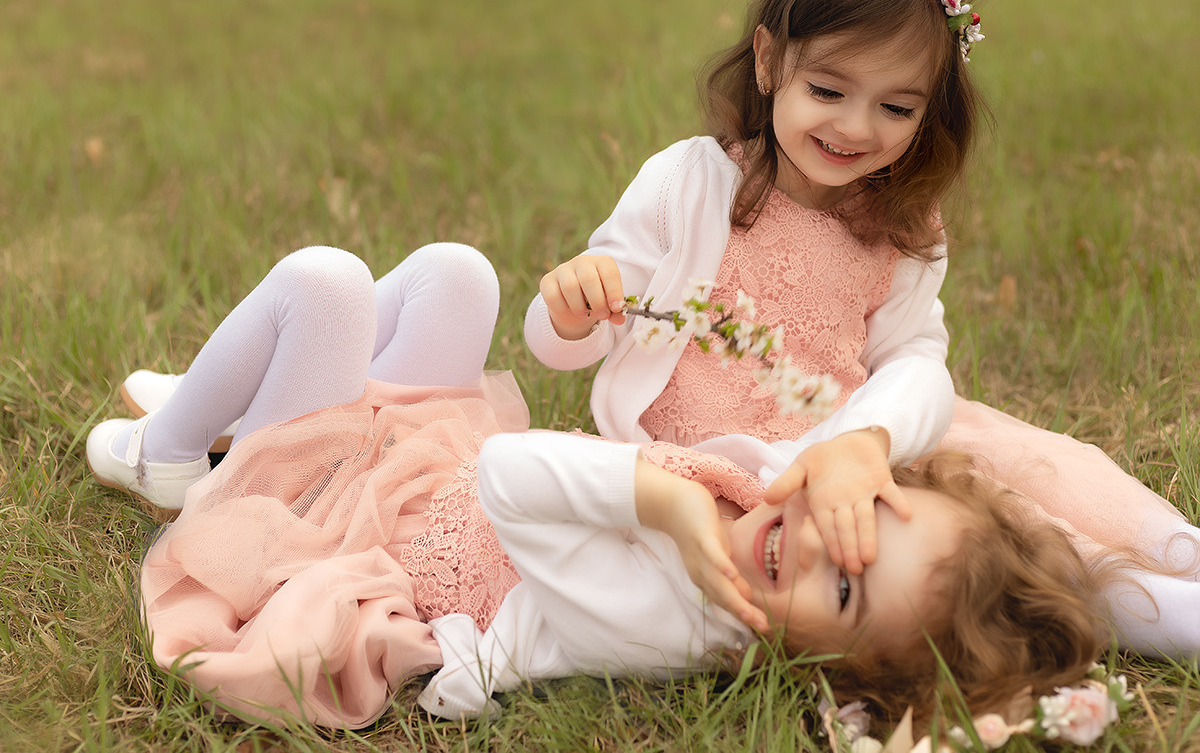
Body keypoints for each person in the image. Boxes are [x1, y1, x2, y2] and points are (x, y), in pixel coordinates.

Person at [526, 0, 1200, 660]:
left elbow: (915, 359)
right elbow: (567, 344)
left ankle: (1174, 551)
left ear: (928, 112)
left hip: (849, 443)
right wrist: (573, 314)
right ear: (768, 61)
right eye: (828, 91)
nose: (854, 128)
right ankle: (1139, 609)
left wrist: (867, 438)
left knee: (1000, 458)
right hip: (727, 478)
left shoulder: (903, 225)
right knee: (963, 555)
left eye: (895, 107)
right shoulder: (688, 184)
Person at [88, 246, 1102, 730]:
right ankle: (247, 397)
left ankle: (177, 455)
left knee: (324, 286)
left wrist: (664, 500)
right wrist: (846, 449)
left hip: (358, 506)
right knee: (458, 277)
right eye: (858, 515)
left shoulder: (670, 608)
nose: (817, 540)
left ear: (832, 665)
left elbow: (510, 473)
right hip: (425, 468)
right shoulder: (759, 509)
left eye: (845, 589)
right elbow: (908, 385)